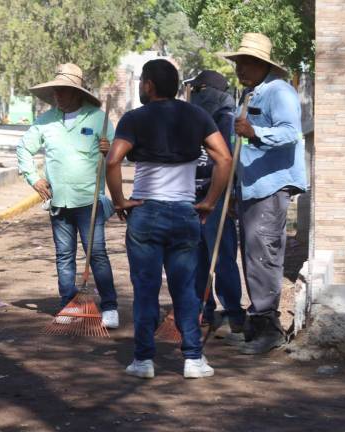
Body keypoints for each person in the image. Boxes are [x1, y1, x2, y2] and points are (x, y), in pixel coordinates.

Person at [106, 59, 232, 379]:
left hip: (145, 212)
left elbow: (113, 160)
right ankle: (193, 359)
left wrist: (120, 201)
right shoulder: (197, 115)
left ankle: (143, 361)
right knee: (185, 289)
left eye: (141, 82)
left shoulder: (134, 119)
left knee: (146, 289)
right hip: (184, 212)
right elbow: (224, 158)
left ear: (148, 85)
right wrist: (209, 202)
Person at [219, 33, 307, 355]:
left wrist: (255, 131)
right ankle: (255, 326)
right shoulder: (249, 93)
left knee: (264, 255)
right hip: (250, 187)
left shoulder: (279, 91)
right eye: (238, 62)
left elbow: (289, 133)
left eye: (246, 63)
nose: (240, 68)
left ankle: (269, 331)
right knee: (252, 255)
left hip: (271, 187)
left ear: (262, 65)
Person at [16, 63, 119, 328]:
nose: (58, 96)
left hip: (89, 202)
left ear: (77, 93)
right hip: (58, 202)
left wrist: (109, 150)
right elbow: (24, 150)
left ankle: (110, 306)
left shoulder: (98, 118)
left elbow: (118, 155)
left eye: (63, 91)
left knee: (96, 254)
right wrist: (34, 178)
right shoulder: (45, 121)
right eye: (56, 91)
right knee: (64, 255)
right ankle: (68, 303)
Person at [189, 70, 245, 342]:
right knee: (198, 257)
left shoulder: (226, 118)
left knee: (221, 256)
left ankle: (233, 312)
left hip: (216, 195)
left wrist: (229, 193)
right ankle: (204, 309)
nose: (194, 95)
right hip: (192, 194)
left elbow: (230, 159)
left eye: (197, 89)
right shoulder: (188, 117)